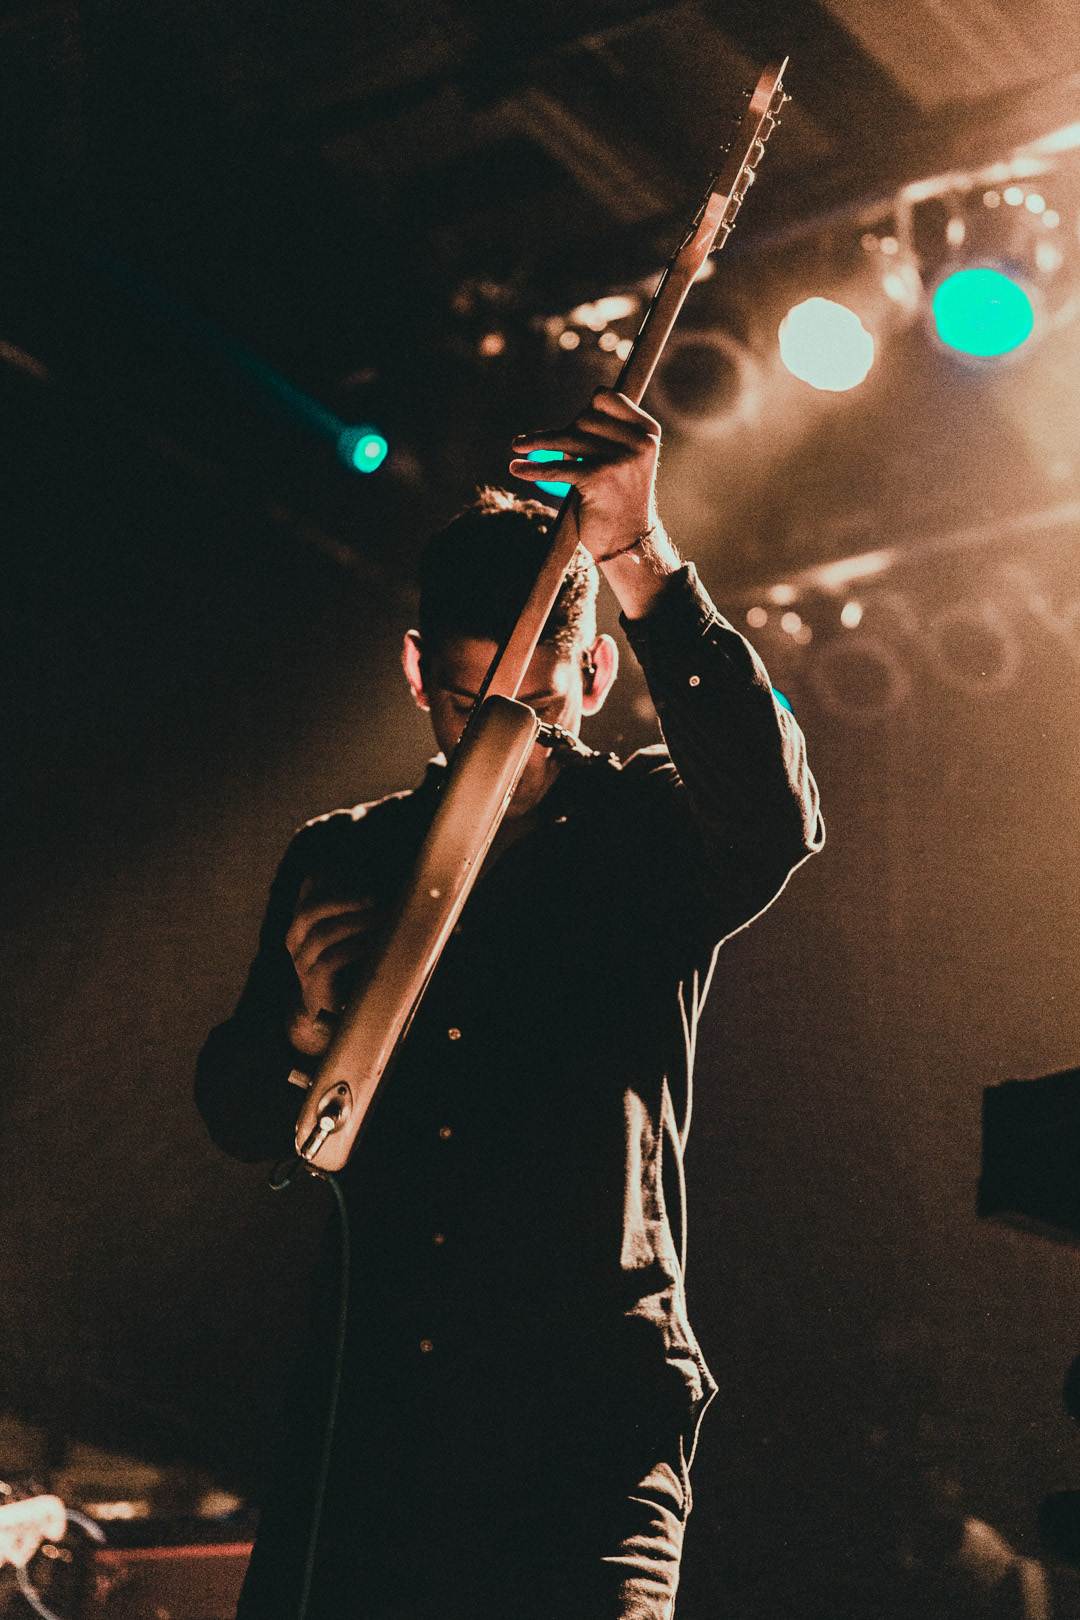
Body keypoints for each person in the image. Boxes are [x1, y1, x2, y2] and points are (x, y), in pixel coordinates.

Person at [195, 387, 824, 1619]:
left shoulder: (646, 829)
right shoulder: (346, 853)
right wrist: (308, 1033)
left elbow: (776, 815)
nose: (498, 744)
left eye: (533, 711)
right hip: (373, 1425)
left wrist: (641, 556)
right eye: (462, 705)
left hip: (580, 1443)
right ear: (416, 671)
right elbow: (237, 1107)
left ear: (591, 675)